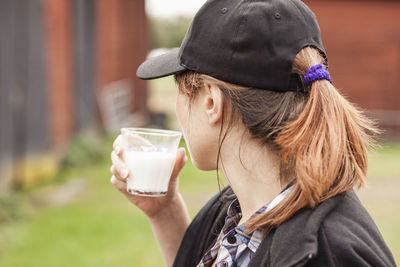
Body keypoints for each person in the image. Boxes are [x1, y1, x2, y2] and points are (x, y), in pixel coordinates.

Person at [110, 0, 396, 266]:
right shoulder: (235, 209)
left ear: (211, 102)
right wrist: (164, 211)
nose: (177, 106)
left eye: (179, 88)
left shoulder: (328, 254)